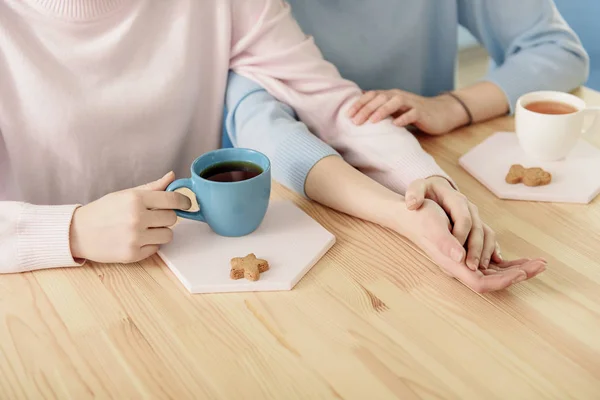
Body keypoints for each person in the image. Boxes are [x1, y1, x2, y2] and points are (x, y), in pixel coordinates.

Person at [0, 0, 545, 292]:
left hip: (194, 284)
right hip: (35, 295)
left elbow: (335, 106)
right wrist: (69, 230)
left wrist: (421, 183)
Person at [223, 0, 587, 290]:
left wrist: (454, 107)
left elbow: (557, 48)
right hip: (308, 196)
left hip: (427, 152)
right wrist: (402, 211)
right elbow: (261, 126)